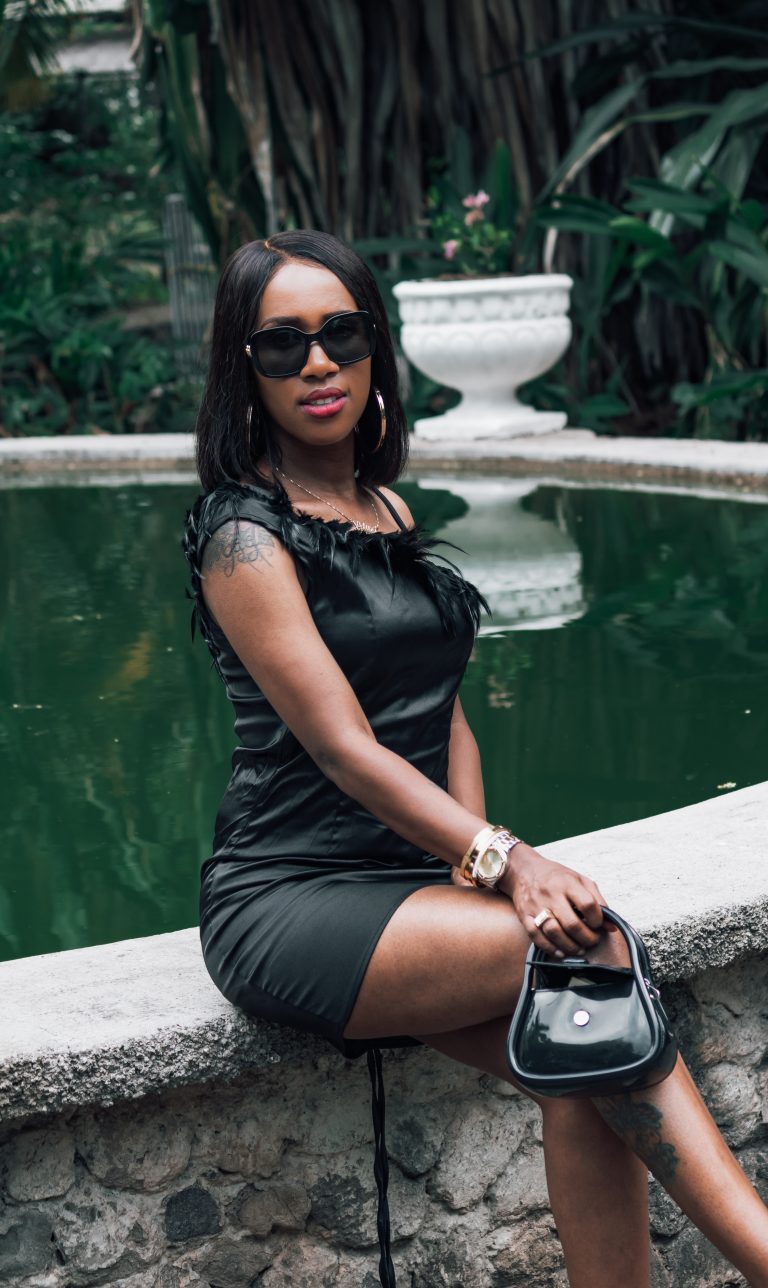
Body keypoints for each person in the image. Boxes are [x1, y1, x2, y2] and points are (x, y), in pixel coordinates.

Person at [183, 229, 768, 1288]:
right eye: (282, 345)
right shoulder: (244, 538)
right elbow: (345, 748)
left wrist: (471, 863)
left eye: (341, 334)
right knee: (589, 953)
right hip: (289, 893)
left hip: (409, 882)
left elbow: (445, 713)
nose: (317, 363)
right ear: (244, 369)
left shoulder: (384, 508)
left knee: (584, 1061)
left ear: (375, 348)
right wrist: (508, 860)